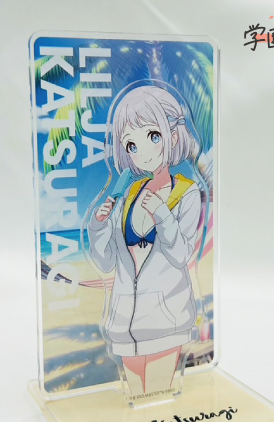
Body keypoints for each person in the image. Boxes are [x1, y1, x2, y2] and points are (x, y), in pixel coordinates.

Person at [88, 84, 203, 395]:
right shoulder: (130, 193)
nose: (142, 152)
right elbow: (106, 261)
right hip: (125, 322)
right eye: (131, 145)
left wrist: (162, 214)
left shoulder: (187, 193)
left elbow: (181, 255)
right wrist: (98, 226)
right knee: (137, 398)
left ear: (173, 136)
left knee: (158, 396)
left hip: (166, 320)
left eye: (153, 136)